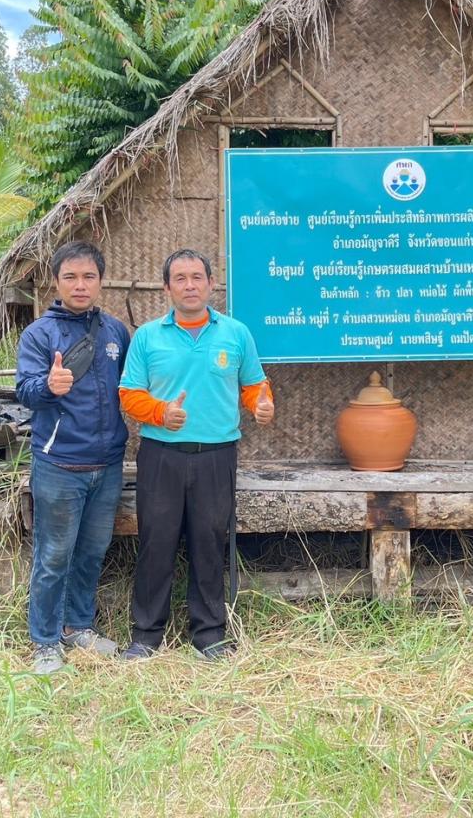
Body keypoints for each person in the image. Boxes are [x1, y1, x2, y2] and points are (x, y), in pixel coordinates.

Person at [117, 248, 274, 661]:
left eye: (197, 277)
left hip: (217, 456)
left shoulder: (236, 333)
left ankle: (209, 635)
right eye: (180, 278)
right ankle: (146, 636)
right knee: (156, 542)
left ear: (211, 283)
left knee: (209, 541)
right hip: (160, 456)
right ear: (167, 287)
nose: (190, 285)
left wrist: (261, 403)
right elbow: (129, 394)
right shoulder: (148, 336)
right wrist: (160, 412)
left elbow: (254, 384)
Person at [15, 240, 131, 674]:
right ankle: (45, 640)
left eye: (88, 277)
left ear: (101, 281)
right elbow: (26, 391)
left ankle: (77, 627)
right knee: (53, 555)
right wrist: (50, 386)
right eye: (70, 277)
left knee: (92, 551)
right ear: (56, 281)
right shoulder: (39, 335)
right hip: (60, 464)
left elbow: (133, 386)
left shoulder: (115, 332)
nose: (80, 285)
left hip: (108, 463)